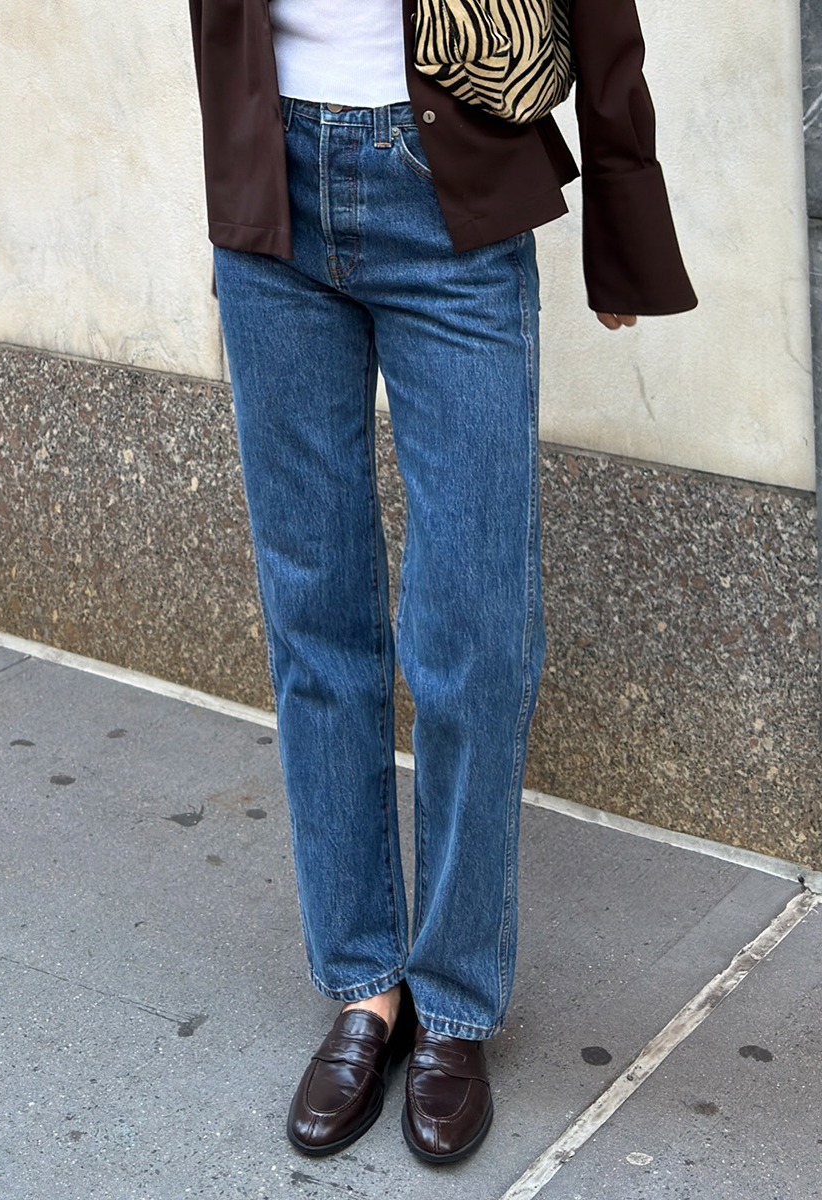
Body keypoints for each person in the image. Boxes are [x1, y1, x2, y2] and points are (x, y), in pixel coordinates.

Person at [187, 0, 696, 1166]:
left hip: (448, 195)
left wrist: (625, 213)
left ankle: (456, 1001)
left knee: (476, 632)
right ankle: (365, 985)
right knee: (316, 615)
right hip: (273, 194)